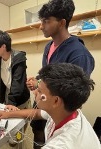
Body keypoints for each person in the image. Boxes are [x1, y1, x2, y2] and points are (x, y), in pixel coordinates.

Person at [0, 63, 101, 149]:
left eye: (39, 91)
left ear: (56, 101)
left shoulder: (61, 145)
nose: (34, 92)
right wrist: (9, 114)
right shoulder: (66, 111)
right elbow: (38, 113)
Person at [26, 0, 95, 146]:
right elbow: (48, 77)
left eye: (46, 21)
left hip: (58, 118)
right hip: (43, 108)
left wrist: (38, 84)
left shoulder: (79, 55)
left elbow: (72, 94)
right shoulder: (48, 46)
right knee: (38, 138)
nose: (41, 26)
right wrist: (37, 82)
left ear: (62, 23)